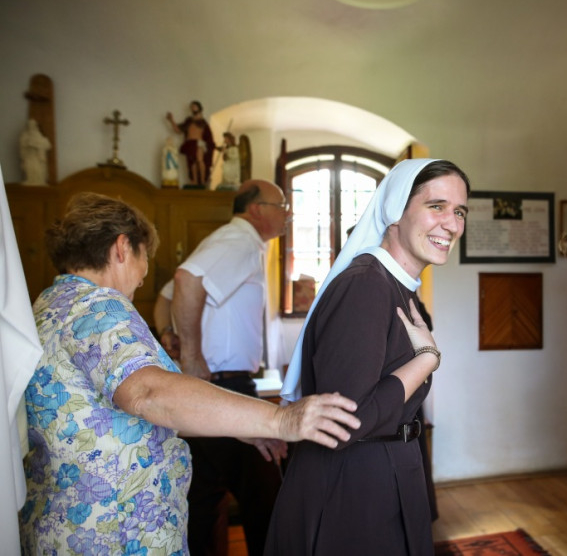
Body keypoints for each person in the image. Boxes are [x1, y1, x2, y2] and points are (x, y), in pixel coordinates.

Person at [19, 192, 360, 556]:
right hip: (112, 534)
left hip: (64, 523)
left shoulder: (48, 304)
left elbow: (106, 418)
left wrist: (239, 425)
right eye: (144, 257)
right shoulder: (98, 305)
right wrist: (281, 419)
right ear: (122, 248)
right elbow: (148, 394)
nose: (142, 277)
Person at [267, 159, 470, 555]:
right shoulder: (366, 286)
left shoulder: (396, 285)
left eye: (460, 211)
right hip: (352, 489)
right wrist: (426, 360)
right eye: (437, 206)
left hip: (383, 472)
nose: (452, 224)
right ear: (395, 209)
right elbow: (347, 420)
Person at [171, 179, 291, 555]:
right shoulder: (239, 240)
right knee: (267, 497)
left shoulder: (233, 241)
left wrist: (170, 335)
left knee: (205, 499)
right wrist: (191, 356)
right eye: (281, 205)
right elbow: (184, 280)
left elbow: (165, 296)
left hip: (216, 385)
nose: (287, 214)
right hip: (224, 386)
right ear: (256, 209)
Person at [167, 100, 215, 188]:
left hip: (199, 143)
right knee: (192, 162)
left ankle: (203, 180)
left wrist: (211, 146)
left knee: (200, 160)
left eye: (194, 106)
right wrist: (171, 120)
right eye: (192, 107)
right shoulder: (188, 121)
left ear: (199, 108)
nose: (193, 108)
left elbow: (209, 137)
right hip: (190, 144)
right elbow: (178, 130)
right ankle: (194, 181)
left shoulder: (203, 122)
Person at [19, 118, 51, 185]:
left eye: (33, 125)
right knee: (30, 168)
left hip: (37, 156)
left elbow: (47, 144)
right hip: (29, 155)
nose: (31, 126)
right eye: (30, 125)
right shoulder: (25, 135)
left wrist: (36, 145)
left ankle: (39, 181)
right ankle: (30, 180)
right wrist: (27, 144)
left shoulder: (38, 134)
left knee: (38, 169)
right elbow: (22, 144)